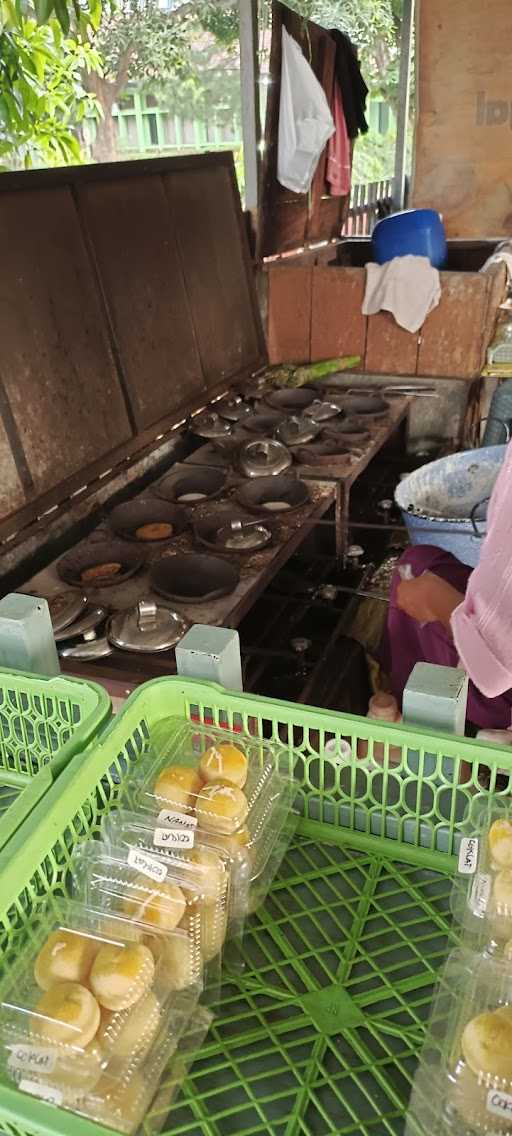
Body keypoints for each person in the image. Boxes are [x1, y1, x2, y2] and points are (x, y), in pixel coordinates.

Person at [381, 441, 512, 730]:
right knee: (421, 560)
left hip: (500, 682)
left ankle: (437, 720)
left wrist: (435, 599)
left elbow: (498, 666)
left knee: (416, 587)